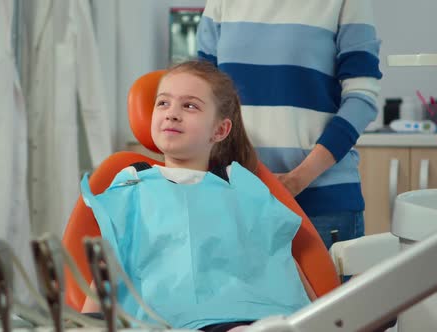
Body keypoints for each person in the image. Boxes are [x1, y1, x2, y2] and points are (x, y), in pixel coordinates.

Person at [80, 61, 315, 331]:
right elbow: (106, 266)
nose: (172, 114)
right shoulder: (132, 184)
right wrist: (87, 324)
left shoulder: (242, 186)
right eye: (163, 103)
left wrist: (318, 317)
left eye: (189, 106)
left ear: (220, 130)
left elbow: (278, 257)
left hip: (251, 318)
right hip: (165, 322)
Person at [196, 0, 382, 249]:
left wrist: (295, 181)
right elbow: (204, 95)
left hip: (322, 206)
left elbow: (362, 98)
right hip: (236, 201)